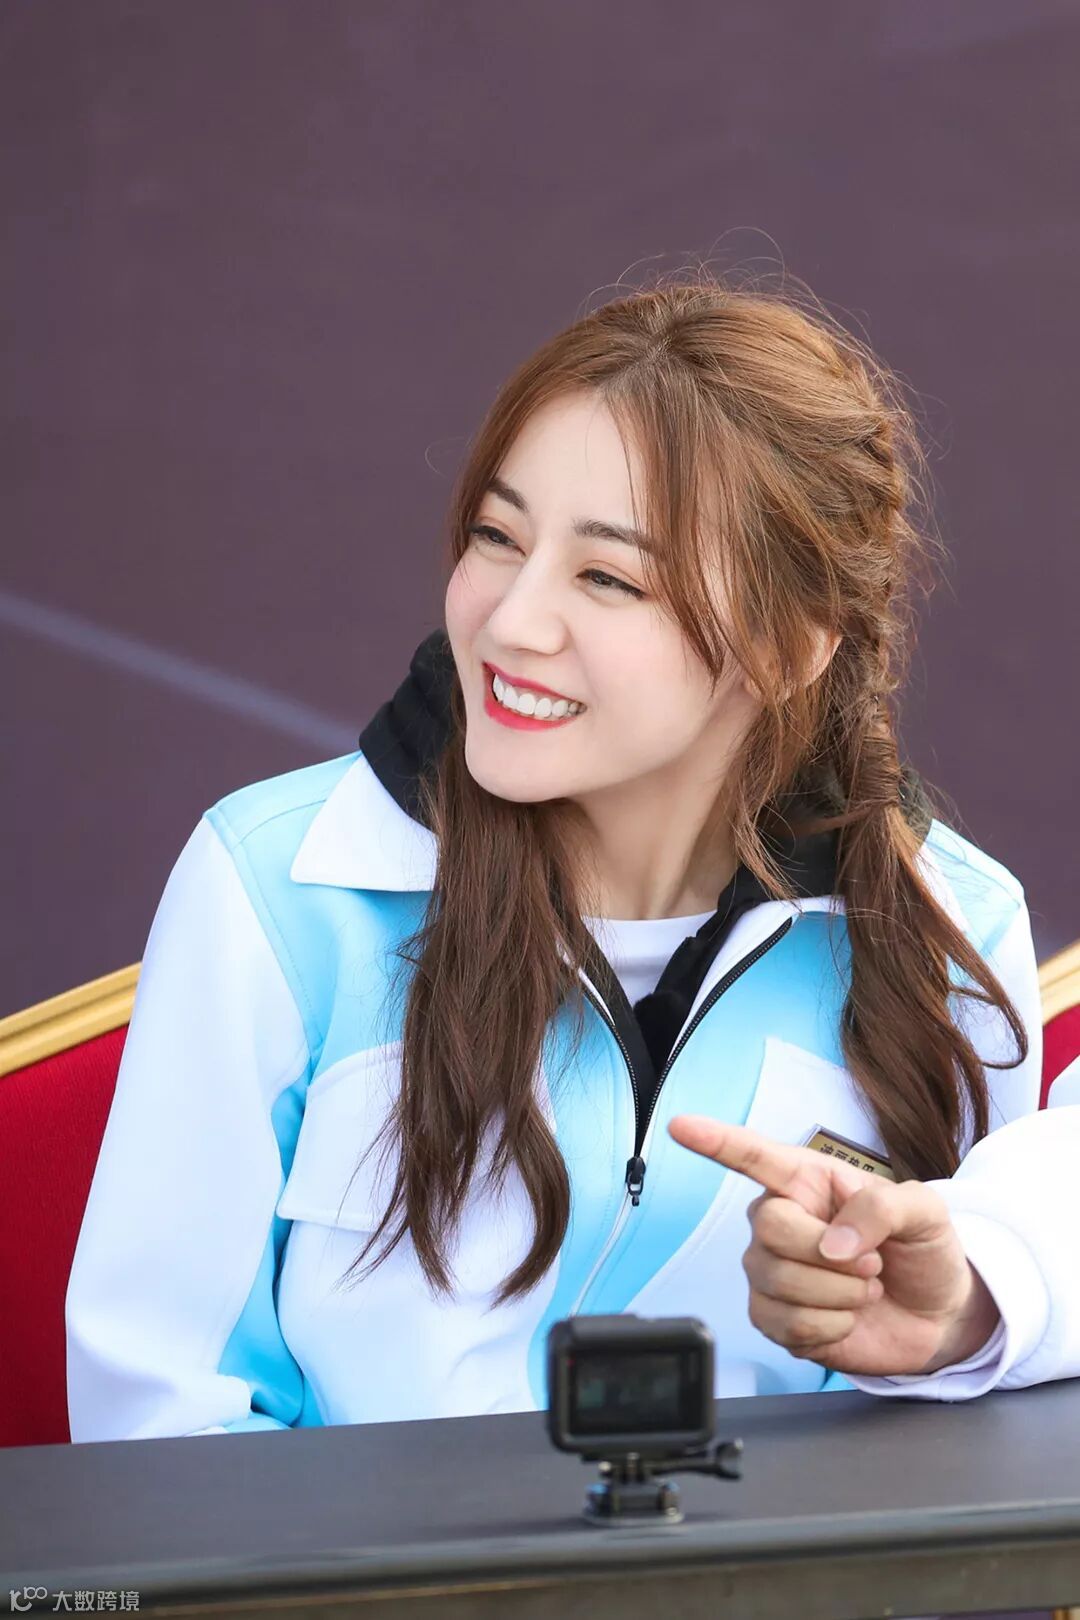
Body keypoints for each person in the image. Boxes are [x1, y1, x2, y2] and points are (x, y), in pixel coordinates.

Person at [66, 277, 1068, 1441]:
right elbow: (159, 1419)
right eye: (497, 537)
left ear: (792, 645)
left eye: (608, 578)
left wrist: (974, 1309)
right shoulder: (282, 889)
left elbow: (973, 1415)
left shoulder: (944, 930)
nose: (509, 622)